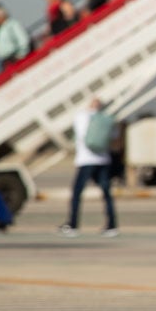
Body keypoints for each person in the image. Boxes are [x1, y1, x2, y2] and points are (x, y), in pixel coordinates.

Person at [59, 97, 119, 238]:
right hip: (103, 160)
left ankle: (73, 225)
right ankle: (112, 225)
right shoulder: (106, 118)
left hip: (85, 160)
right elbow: (114, 135)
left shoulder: (82, 116)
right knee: (106, 194)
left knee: (77, 193)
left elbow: (79, 136)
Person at [0, 3, 30, 73]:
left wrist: (21, 56)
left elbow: (23, 40)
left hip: (16, 59)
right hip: (3, 64)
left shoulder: (12, 24)